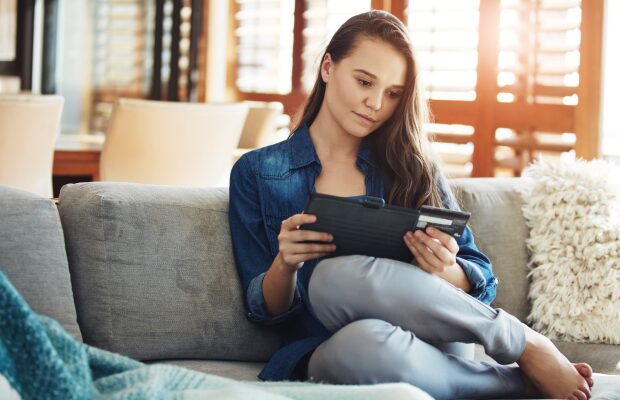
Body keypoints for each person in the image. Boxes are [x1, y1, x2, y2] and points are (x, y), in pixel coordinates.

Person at [228, 10, 593, 400]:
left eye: (393, 93)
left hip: (432, 338)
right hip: (341, 351)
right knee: (337, 295)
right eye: (364, 82)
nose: (375, 104)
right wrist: (285, 265)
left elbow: (480, 281)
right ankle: (519, 382)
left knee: (339, 276)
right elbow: (263, 313)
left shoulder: (414, 168)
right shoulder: (257, 172)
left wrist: (446, 268)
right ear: (328, 67)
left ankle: (522, 343)